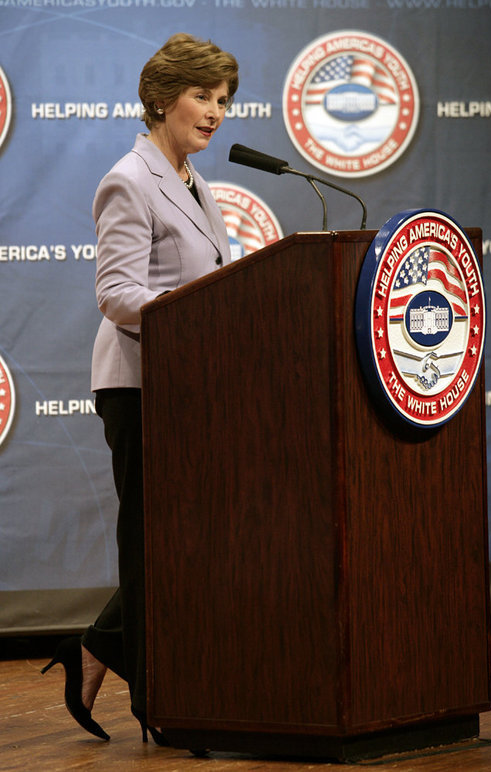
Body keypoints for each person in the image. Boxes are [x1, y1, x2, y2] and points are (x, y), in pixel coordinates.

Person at [41, 32, 239, 744]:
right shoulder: (129, 177)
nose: (215, 112)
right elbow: (116, 293)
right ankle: (161, 702)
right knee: (154, 542)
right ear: (160, 98)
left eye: (222, 100)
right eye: (201, 96)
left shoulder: (196, 182)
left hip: (190, 387)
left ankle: (98, 644)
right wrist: (193, 316)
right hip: (140, 386)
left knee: (183, 540)